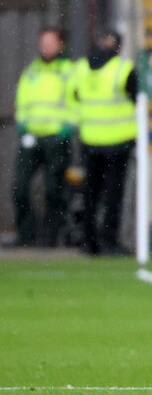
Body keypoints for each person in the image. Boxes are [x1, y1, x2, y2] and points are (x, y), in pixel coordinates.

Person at [68, 31, 137, 255]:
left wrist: (82, 121)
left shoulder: (80, 67)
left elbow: (71, 97)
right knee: (112, 195)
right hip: (119, 139)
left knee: (91, 194)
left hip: (90, 138)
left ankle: (89, 242)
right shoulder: (122, 69)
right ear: (118, 47)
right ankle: (108, 241)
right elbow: (139, 98)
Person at [13, 27, 74, 247]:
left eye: (51, 42)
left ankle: (51, 237)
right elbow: (22, 101)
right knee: (19, 188)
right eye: (43, 42)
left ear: (60, 45)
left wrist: (66, 128)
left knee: (53, 190)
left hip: (57, 138)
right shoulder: (32, 71)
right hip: (31, 137)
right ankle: (26, 234)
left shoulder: (69, 71)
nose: (46, 46)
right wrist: (22, 125)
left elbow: (76, 103)